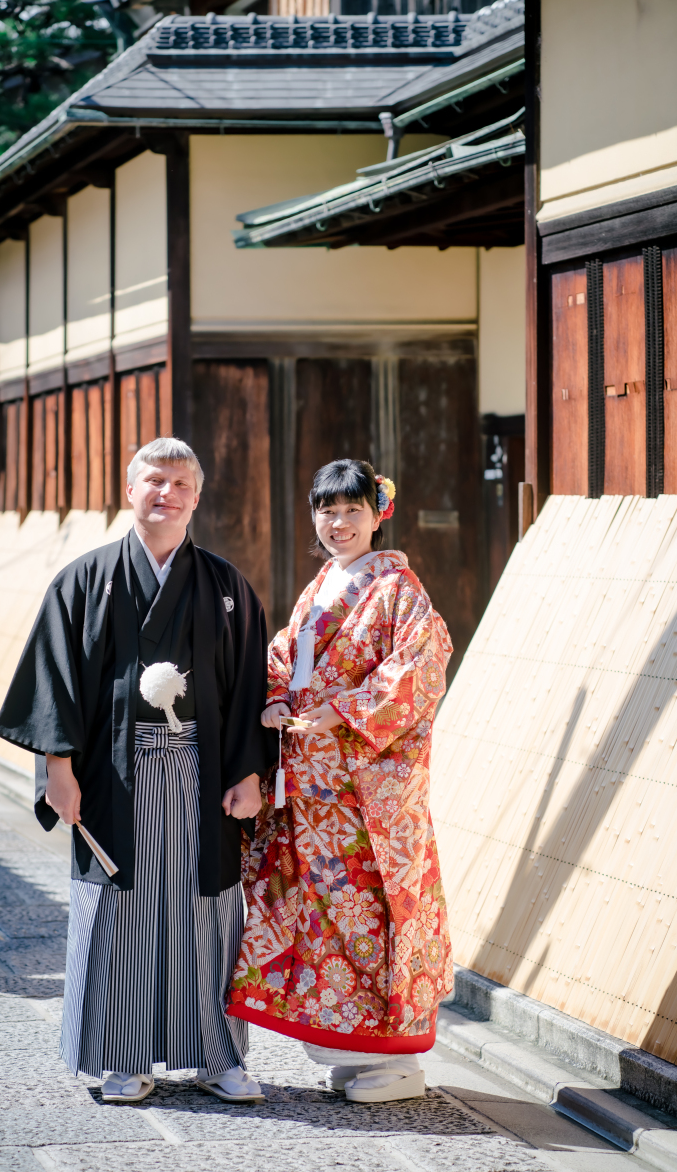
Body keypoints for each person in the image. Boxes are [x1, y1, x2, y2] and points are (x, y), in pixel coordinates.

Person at [0, 437, 269, 1105]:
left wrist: (250, 773)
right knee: (123, 914)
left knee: (207, 914)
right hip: (115, 777)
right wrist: (57, 769)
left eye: (180, 483)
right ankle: (125, 1058)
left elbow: (249, 686)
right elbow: (53, 681)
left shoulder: (225, 585)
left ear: (197, 497)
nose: (166, 493)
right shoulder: (84, 581)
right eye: (154, 481)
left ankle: (217, 1055)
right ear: (130, 490)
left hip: (203, 777)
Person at [227, 458, 453, 1104]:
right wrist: (273, 699)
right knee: (321, 920)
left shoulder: (398, 590)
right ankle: (351, 1050)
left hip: (361, 798)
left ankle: (393, 1055)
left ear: (377, 515)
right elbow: (282, 655)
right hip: (313, 793)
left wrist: (343, 711)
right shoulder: (323, 584)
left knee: (367, 915)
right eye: (327, 510)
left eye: (352, 510)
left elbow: (420, 668)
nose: (338, 522)